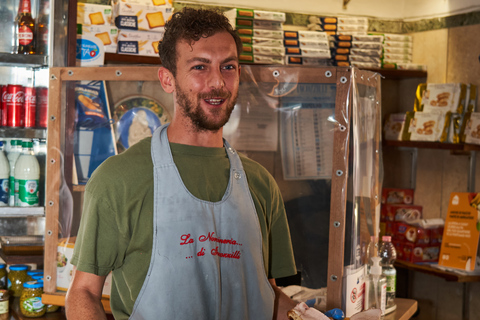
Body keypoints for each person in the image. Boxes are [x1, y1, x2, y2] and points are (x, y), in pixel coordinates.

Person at [66, 7, 297, 320]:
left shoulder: (260, 183)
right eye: (200, 67)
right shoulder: (119, 179)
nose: (217, 82)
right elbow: (83, 293)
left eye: (228, 66)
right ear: (167, 79)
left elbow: (264, 294)